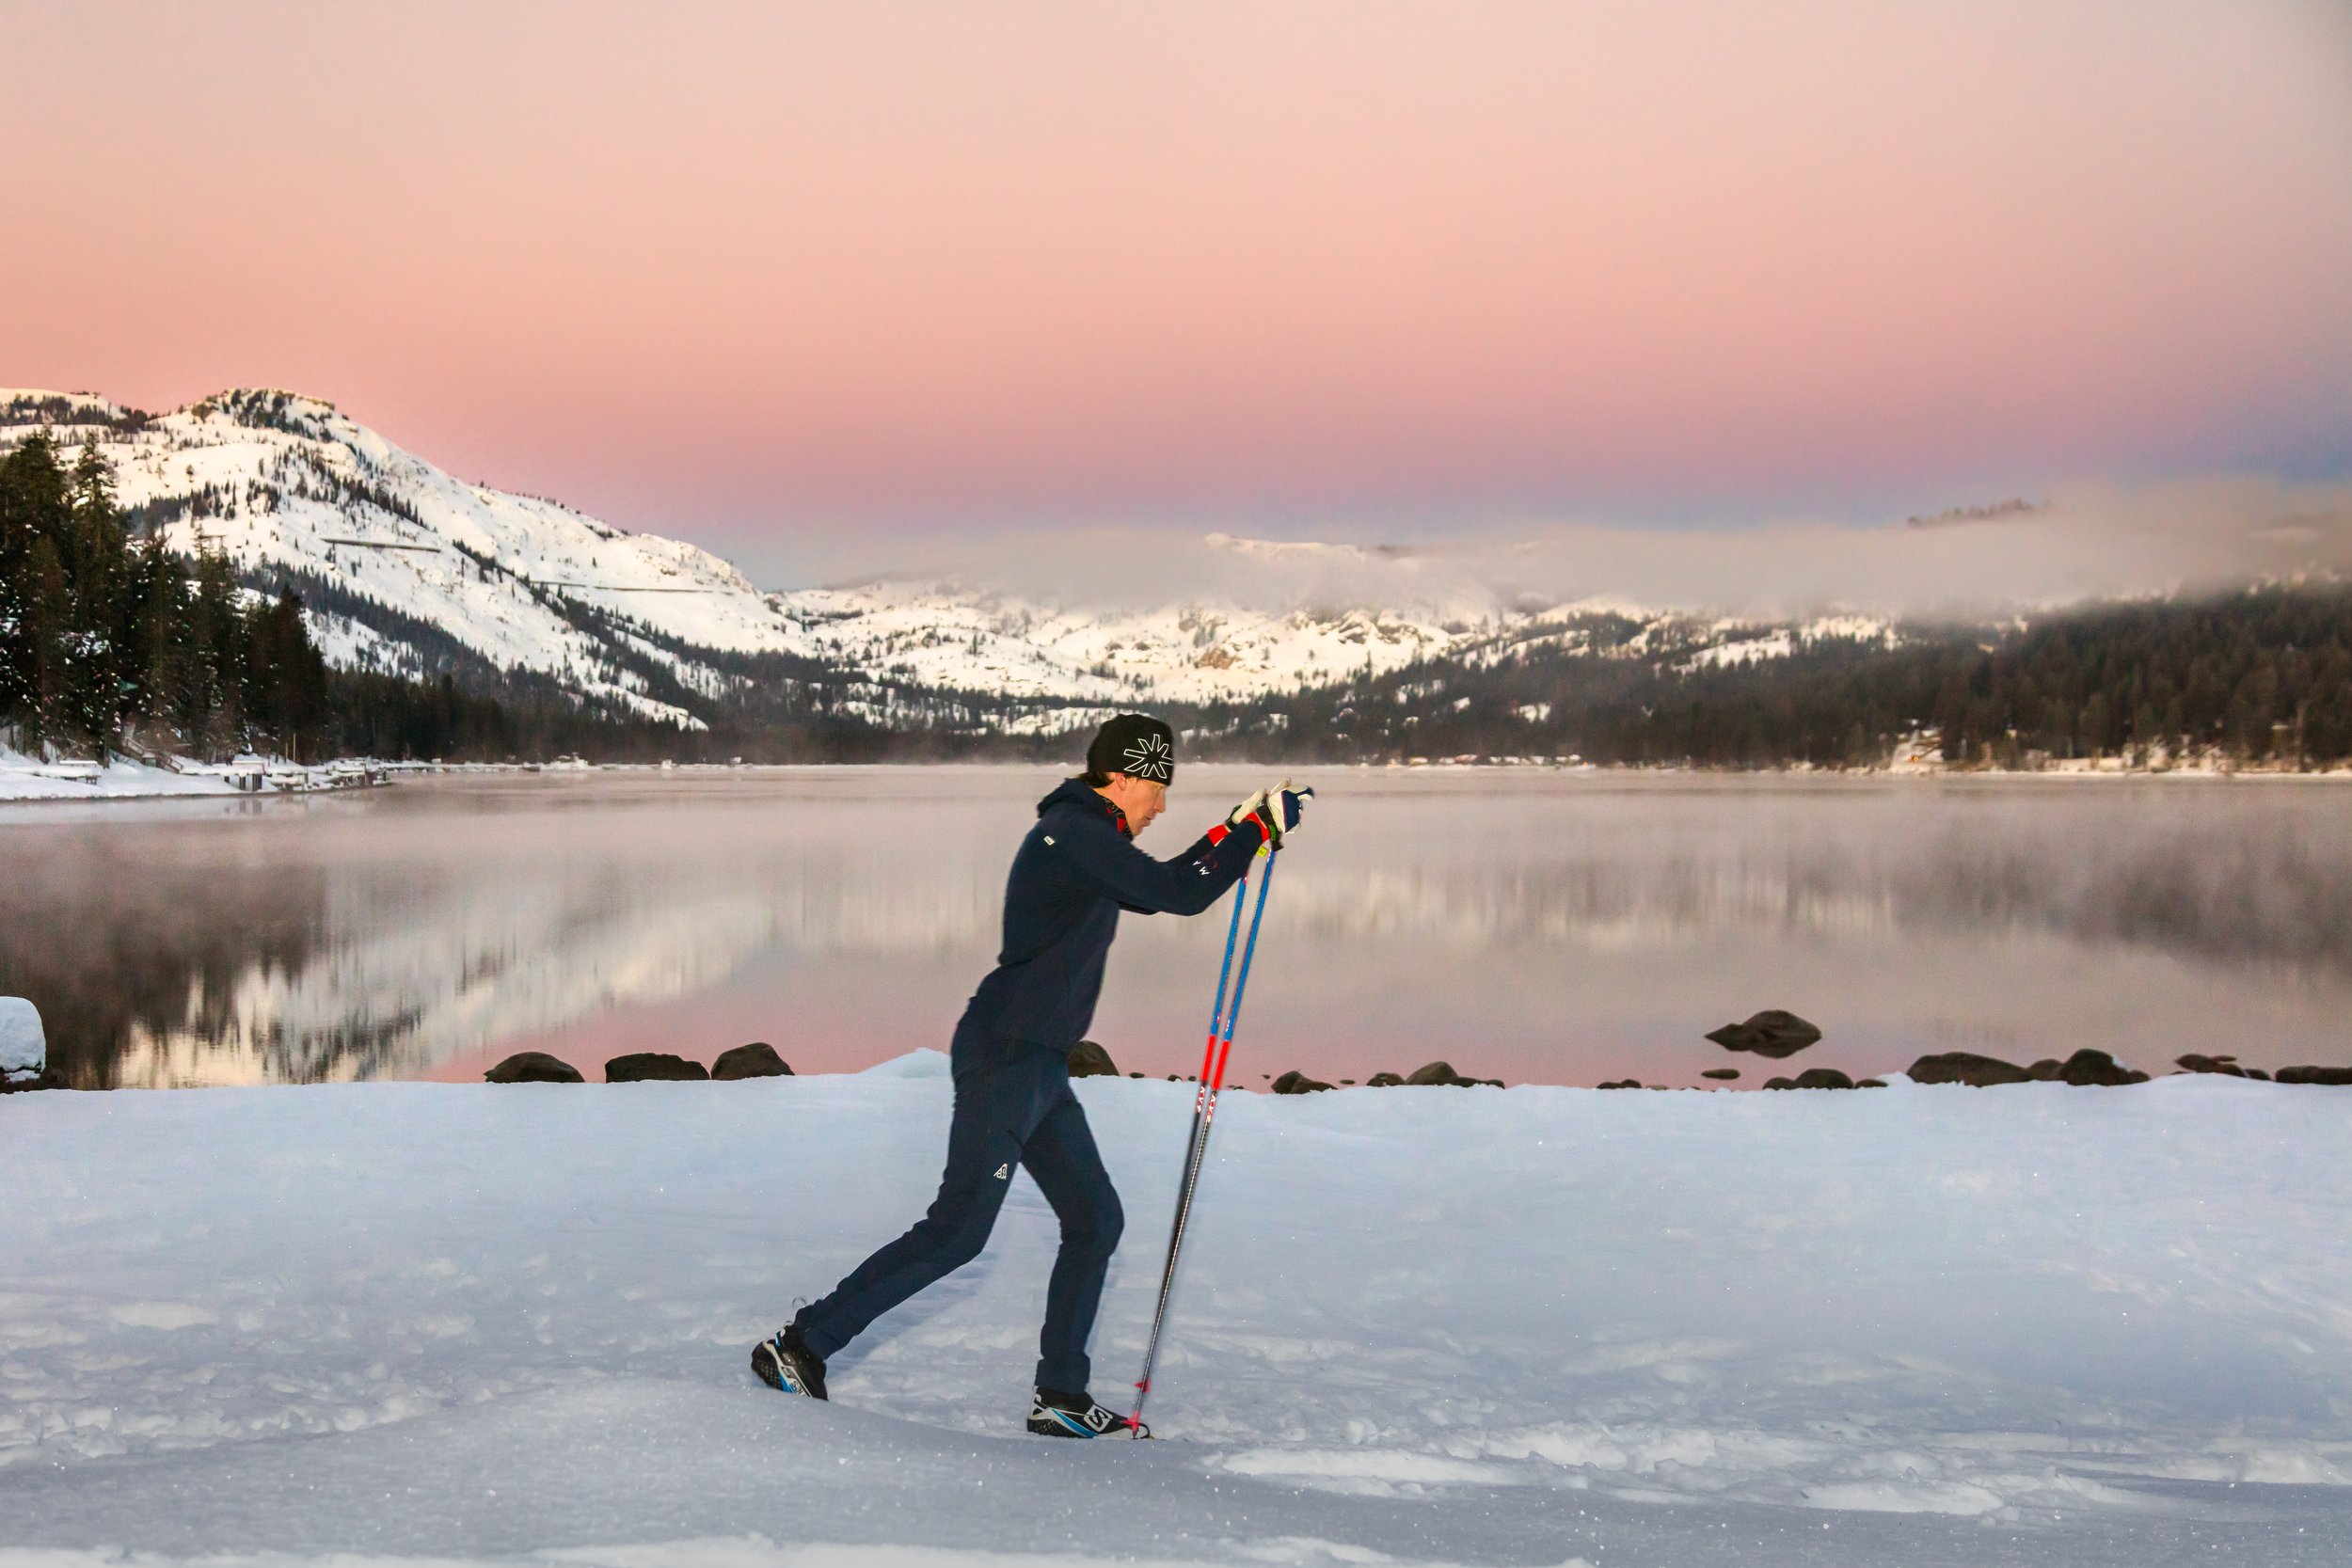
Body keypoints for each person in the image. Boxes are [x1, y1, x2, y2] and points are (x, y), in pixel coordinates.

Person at [753, 714, 1308, 1437]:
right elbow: (1178, 891)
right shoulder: (1075, 834)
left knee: (1095, 1219)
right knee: (958, 1231)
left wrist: (1233, 830)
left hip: (1039, 1061)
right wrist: (1249, 832)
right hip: (1007, 1053)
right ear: (1124, 777)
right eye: (1158, 787)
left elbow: (1157, 885)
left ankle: (1061, 1395)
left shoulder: (1091, 838)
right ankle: (799, 1344)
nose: (1161, 804)